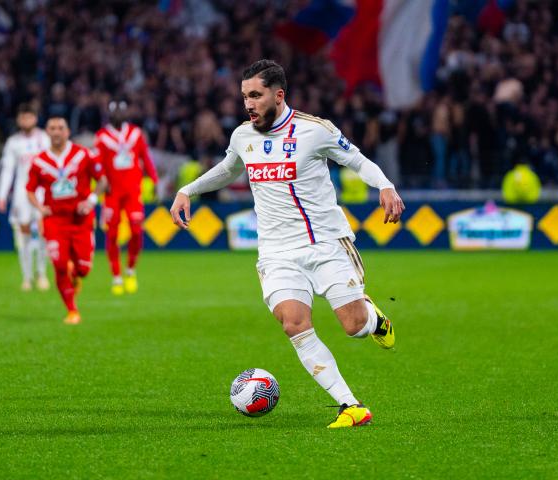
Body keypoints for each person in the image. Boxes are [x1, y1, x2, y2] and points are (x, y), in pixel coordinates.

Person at [170, 60, 405, 428]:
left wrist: (386, 186)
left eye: (256, 95)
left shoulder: (315, 131)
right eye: (245, 96)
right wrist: (188, 189)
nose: (248, 104)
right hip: (277, 253)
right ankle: (351, 406)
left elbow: (356, 159)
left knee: (353, 326)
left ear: (278, 95)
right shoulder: (242, 136)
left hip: (325, 243)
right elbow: (228, 169)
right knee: (294, 324)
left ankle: (372, 318)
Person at [26, 116, 106, 325]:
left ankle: (76, 275)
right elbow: (30, 190)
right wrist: (39, 207)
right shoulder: (38, 161)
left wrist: (90, 200)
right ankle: (72, 310)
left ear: (67, 131)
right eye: (52, 128)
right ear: (47, 132)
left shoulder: (83, 154)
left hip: (81, 220)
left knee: (83, 269)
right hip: (54, 221)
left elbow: (102, 180)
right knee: (60, 265)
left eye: (60, 128)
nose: (56, 132)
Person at [94, 100, 159, 295]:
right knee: (112, 234)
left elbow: (145, 157)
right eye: (116, 113)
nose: (119, 116)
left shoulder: (136, 133)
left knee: (136, 231)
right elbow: (98, 164)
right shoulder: (102, 137)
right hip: (112, 193)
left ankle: (130, 269)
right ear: (109, 115)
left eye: (122, 112)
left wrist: (153, 180)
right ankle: (116, 276)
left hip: (133, 191)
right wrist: (99, 180)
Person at [0, 104, 51, 291]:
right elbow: (8, 170)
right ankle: (27, 277)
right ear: (19, 120)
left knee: (44, 233)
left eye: (29, 117)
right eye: (23, 117)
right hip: (22, 192)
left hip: (42, 191)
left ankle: (42, 274)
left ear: (35, 118)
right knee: (24, 234)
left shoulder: (45, 139)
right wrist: (2, 195)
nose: (26, 121)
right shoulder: (13, 143)